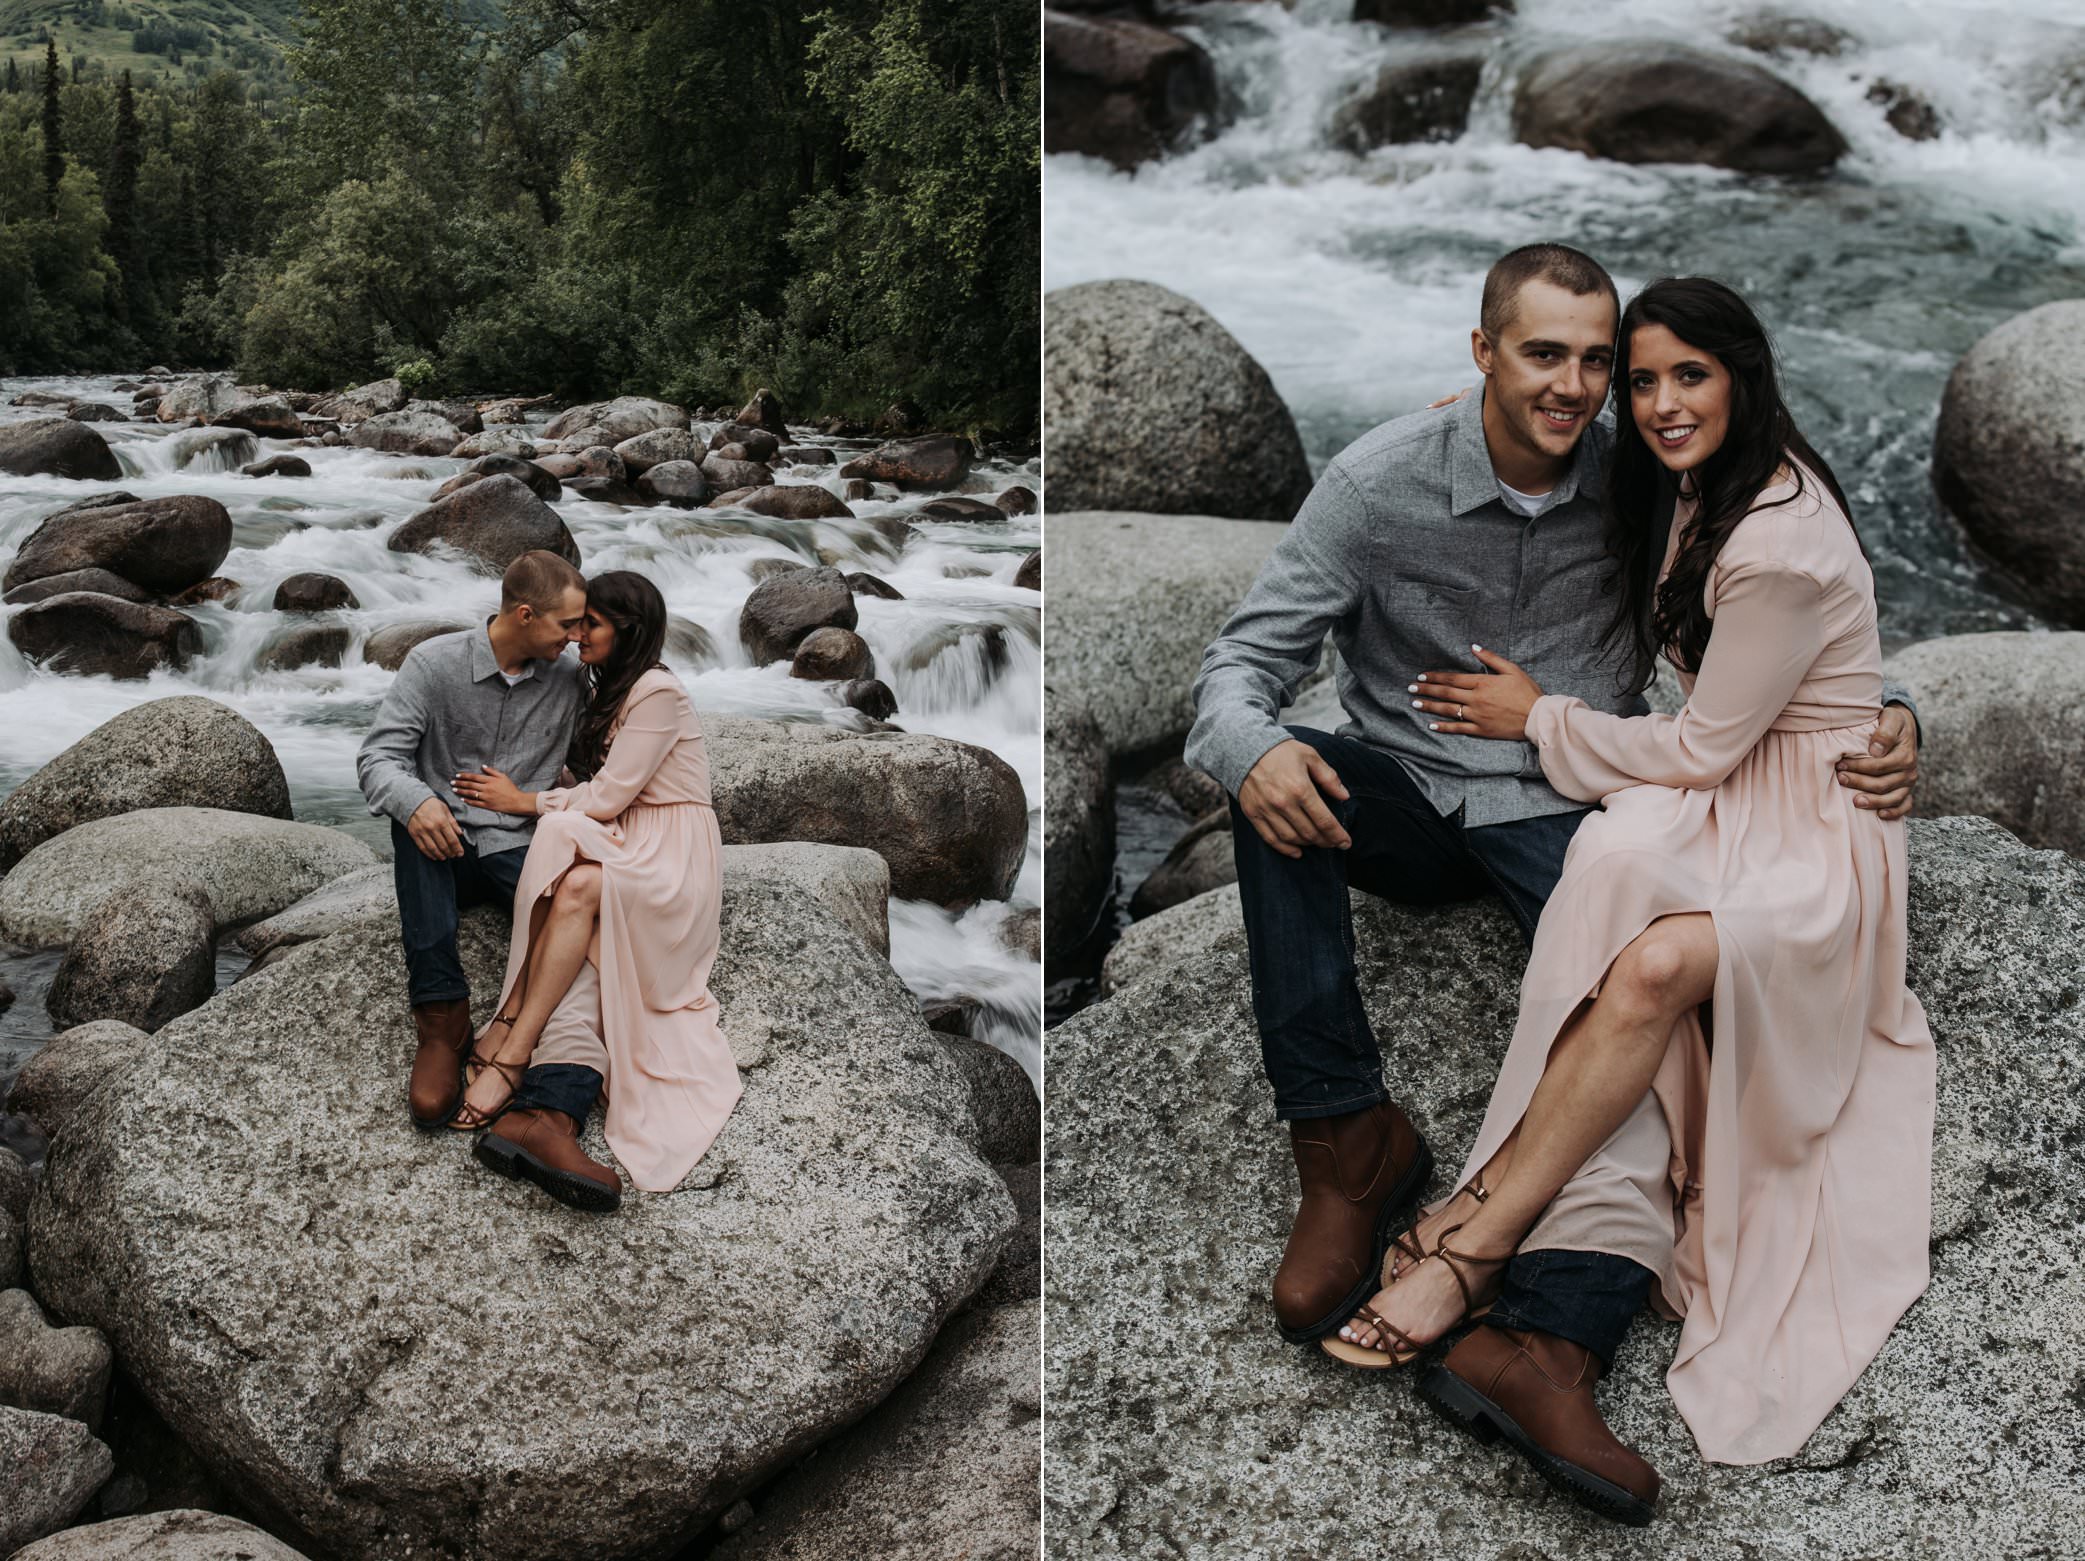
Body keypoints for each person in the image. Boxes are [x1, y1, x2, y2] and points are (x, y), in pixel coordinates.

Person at [1182, 245, 1924, 1516]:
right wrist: (1249, 751)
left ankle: (1553, 1329)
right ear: (1481, 354)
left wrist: (1892, 707)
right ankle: (1346, 1137)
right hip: (1413, 790)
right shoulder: (1376, 482)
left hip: (1574, 802)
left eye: (1599, 362)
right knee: (1283, 784)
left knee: (1647, 998)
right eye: (1546, 355)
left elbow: (1791, 600)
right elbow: (1236, 672)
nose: (1580, 389)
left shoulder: (1644, 464)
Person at [448, 569, 741, 1213]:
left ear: (627, 632)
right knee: (575, 879)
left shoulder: (658, 692)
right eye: (576, 623)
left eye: (592, 625)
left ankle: (511, 1042)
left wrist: (523, 802)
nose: (579, 634)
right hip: (634, 842)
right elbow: (587, 780)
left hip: (671, 858)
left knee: (572, 864)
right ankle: (530, 1072)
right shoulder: (609, 685)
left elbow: (608, 797)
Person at [356, 549, 588, 1134]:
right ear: (527, 615)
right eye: (568, 624)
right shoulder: (433, 664)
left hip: (522, 849)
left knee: (582, 907)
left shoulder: (571, 677)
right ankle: (442, 1021)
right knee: (411, 820)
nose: (578, 636)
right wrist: (418, 802)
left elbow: (599, 764)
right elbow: (378, 758)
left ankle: (537, 1068)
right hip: (445, 847)